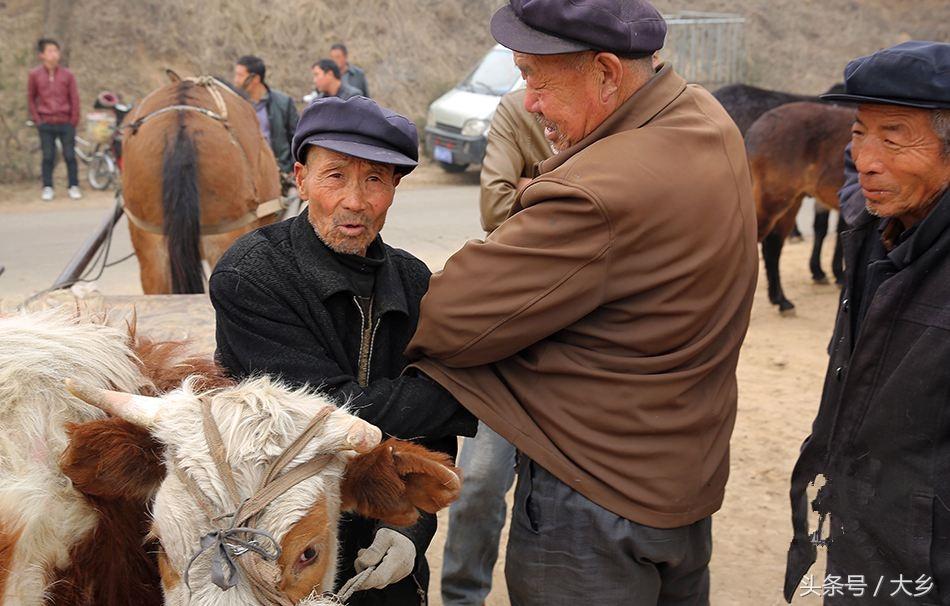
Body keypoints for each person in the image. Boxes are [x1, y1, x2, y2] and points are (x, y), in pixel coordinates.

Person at [406, 0, 758, 603]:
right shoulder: (704, 116)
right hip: (680, 482)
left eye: (535, 77)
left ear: (605, 72)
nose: (530, 101)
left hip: (594, 501)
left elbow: (445, 318)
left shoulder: (599, 190)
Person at [209, 95, 476, 605]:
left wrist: (410, 532)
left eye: (375, 179)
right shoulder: (253, 274)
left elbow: (434, 439)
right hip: (270, 543)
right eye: (335, 176)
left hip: (379, 550)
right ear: (300, 178)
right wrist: (464, 391)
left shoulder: (413, 281)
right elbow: (323, 415)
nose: (354, 200)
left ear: (394, 189)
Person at [784, 41, 950, 605]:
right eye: (859, 133)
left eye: (894, 136)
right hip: (864, 531)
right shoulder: (877, 220)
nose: (865, 158)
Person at [440, 86, 550, 606]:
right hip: (514, 323)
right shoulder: (519, 108)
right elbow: (495, 205)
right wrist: (574, 192)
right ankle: (463, 597)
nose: (538, 93)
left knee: (565, 493)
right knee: (480, 480)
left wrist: (537, 181)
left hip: (589, 337)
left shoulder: (638, 113)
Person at [27, 38, 81, 201]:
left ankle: (73, 185)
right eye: (50, 51)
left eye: (56, 51)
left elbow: (74, 98)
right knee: (48, 156)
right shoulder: (34, 75)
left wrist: (74, 119)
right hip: (46, 122)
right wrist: (37, 120)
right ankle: (48, 187)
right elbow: (31, 98)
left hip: (66, 121)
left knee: (70, 155)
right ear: (42, 55)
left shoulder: (67, 75)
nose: (54, 54)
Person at [233, 55, 299, 174]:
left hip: (281, 172)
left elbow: (297, 138)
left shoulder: (283, 103)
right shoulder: (236, 105)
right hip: (248, 173)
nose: (236, 80)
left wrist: (291, 168)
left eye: (240, 75)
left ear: (256, 79)